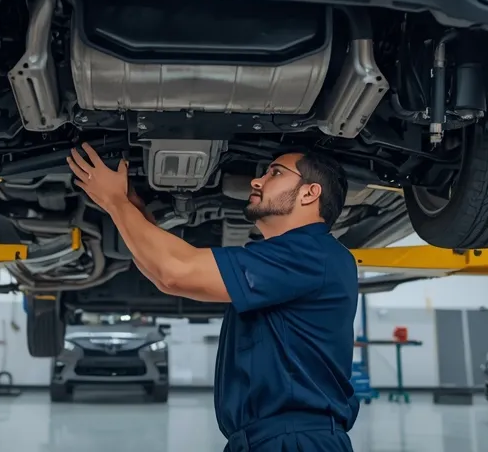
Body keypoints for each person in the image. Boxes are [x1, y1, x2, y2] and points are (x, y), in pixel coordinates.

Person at [67, 144, 360, 452]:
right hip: (270, 439)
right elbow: (165, 275)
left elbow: (175, 272)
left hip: (295, 441)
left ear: (310, 193)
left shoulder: (310, 254)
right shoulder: (302, 256)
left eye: (275, 173)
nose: (256, 181)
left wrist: (114, 201)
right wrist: (133, 212)